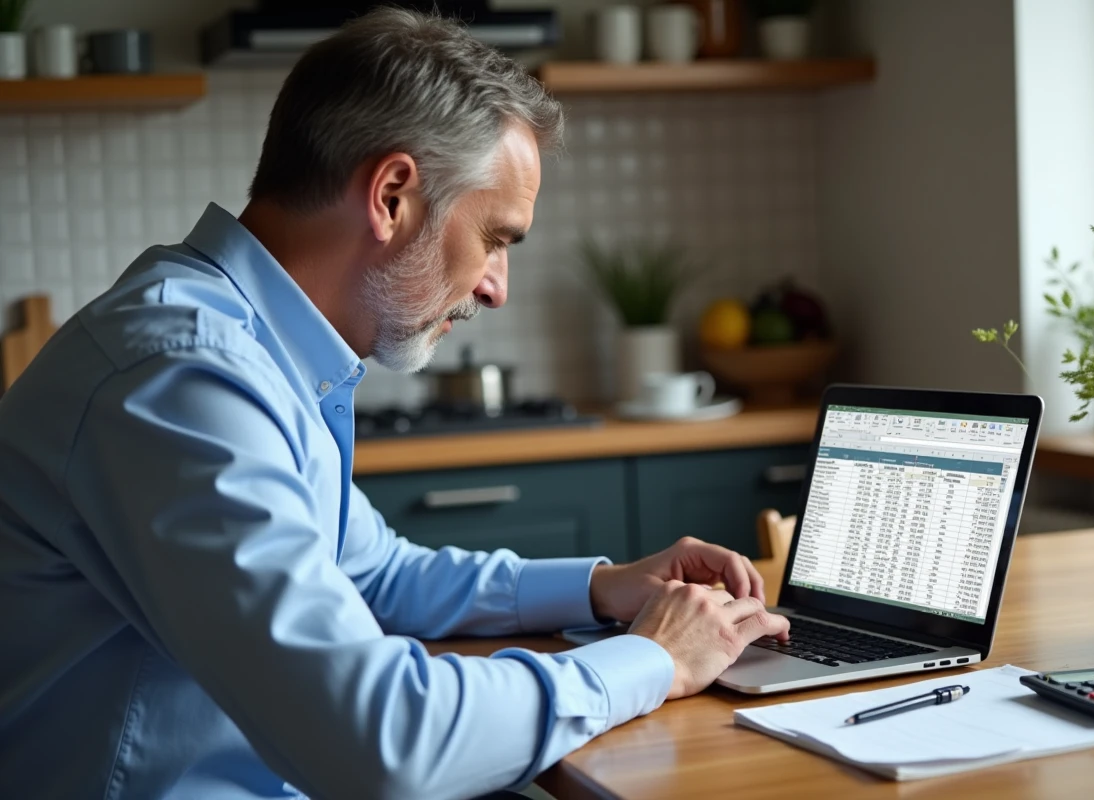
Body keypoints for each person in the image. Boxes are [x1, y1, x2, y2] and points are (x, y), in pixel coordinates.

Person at [0, 8, 789, 800]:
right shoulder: (181, 377)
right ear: (391, 195)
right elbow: (381, 741)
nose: (496, 287)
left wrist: (602, 587)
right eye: (496, 238)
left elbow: (372, 573)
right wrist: (654, 658)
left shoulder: (250, 347)